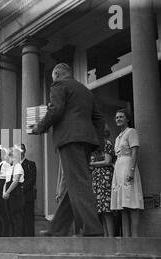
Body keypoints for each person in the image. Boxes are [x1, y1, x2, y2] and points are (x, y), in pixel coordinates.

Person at [30, 63, 105, 236]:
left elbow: (56, 110)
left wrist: (39, 127)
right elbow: (99, 119)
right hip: (86, 140)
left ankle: (93, 229)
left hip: (69, 140)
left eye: (53, 76)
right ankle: (58, 229)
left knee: (78, 182)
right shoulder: (86, 91)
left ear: (56, 74)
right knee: (74, 182)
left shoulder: (59, 85)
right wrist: (98, 144)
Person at [110, 109, 144, 237]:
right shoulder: (118, 137)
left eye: (121, 117)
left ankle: (134, 238)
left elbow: (135, 152)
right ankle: (126, 237)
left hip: (128, 167)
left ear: (127, 119)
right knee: (122, 205)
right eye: (117, 117)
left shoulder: (131, 132)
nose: (118, 119)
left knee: (132, 202)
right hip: (119, 169)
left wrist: (131, 170)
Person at [89, 126, 115, 237]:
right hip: (96, 178)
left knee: (106, 209)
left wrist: (92, 165)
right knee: (101, 210)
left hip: (105, 176)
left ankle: (111, 237)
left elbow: (108, 161)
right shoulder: (95, 147)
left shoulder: (107, 144)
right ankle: (105, 236)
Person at [3, 146, 25, 237]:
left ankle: (17, 236)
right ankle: (11, 236)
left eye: (7, 155)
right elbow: (6, 181)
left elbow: (16, 181)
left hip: (16, 194)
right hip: (8, 194)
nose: (5, 157)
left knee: (17, 216)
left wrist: (8, 192)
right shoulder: (9, 168)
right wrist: (4, 192)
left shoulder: (18, 166)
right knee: (9, 216)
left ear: (12, 156)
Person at [20, 143, 36, 236]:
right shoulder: (12, 165)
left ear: (25, 151)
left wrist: (22, 188)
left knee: (28, 218)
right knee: (18, 219)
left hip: (27, 195)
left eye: (22, 149)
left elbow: (32, 179)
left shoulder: (31, 164)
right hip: (16, 197)